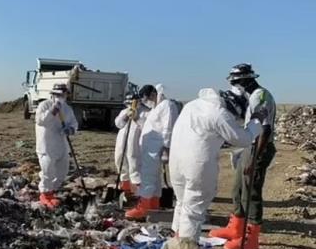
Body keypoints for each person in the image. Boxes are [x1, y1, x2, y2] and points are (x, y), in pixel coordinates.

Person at [169, 88, 266, 240]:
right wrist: (256, 121)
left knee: (182, 202)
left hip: (176, 162)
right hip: (197, 164)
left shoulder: (193, 104)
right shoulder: (220, 114)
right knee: (194, 208)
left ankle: (177, 239)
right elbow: (243, 139)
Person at [210, 64, 277, 249]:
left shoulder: (260, 96)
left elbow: (265, 129)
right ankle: (236, 227)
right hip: (249, 147)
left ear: (247, 79)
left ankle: (251, 238)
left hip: (259, 148)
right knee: (238, 188)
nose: (236, 85)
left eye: (237, 82)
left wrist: (254, 158)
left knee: (251, 192)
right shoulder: (251, 96)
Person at [125, 84, 179, 220]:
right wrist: (136, 118)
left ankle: (143, 207)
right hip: (150, 148)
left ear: (153, 95)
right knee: (154, 179)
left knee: (147, 177)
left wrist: (166, 148)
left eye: (146, 99)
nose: (146, 102)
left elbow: (168, 127)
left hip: (156, 148)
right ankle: (153, 204)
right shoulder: (156, 108)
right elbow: (150, 126)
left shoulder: (167, 105)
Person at [35, 83, 78, 208]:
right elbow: (40, 121)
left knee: (62, 172)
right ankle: (45, 194)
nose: (61, 97)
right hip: (46, 146)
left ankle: (51, 191)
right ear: (52, 95)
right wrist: (53, 110)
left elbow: (74, 123)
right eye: (58, 95)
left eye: (63, 95)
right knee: (48, 171)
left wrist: (70, 129)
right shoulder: (44, 105)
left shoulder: (68, 109)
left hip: (62, 145)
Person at [114, 94, 151, 194]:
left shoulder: (146, 112)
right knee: (120, 160)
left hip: (135, 142)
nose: (131, 105)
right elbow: (118, 124)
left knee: (133, 162)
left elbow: (147, 127)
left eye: (133, 102)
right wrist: (126, 116)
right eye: (129, 103)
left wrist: (136, 118)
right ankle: (125, 189)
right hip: (122, 141)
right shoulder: (124, 111)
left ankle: (137, 191)